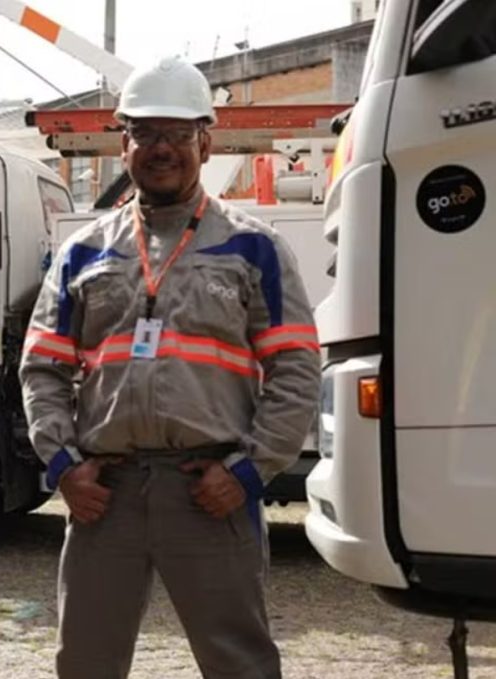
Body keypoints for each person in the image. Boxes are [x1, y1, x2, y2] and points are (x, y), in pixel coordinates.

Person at [19, 56, 321, 679]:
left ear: (205, 143)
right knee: (86, 664)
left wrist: (249, 472)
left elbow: (295, 369)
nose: (163, 148)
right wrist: (64, 468)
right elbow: (42, 368)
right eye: (146, 133)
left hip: (211, 492)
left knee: (240, 665)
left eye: (179, 133)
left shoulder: (254, 248)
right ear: (123, 143)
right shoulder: (84, 251)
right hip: (106, 495)